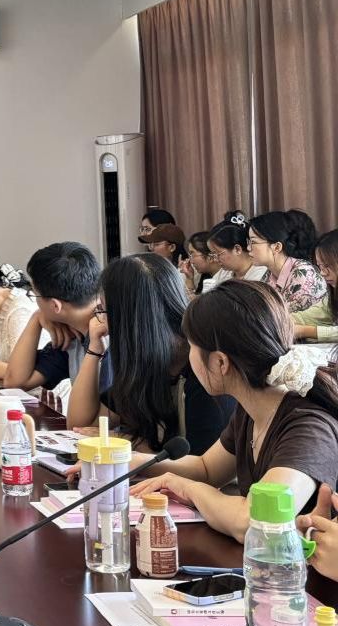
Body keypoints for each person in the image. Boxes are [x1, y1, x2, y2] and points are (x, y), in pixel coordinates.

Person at [132, 281, 338, 540]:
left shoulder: (308, 428)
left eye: (192, 346)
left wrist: (188, 488)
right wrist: (128, 461)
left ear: (220, 362)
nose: (189, 356)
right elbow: (207, 469)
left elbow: (255, 522)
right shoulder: (253, 407)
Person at [68, 254, 236, 456]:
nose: (100, 321)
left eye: (103, 311)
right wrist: (94, 349)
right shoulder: (145, 363)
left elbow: (201, 464)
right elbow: (80, 427)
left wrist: (129, 442)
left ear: (129, 319)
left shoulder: (205, 366)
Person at [3, 242, 102, 391]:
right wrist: (36, 318)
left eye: (34, 294)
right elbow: (15, 382)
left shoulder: (107, 339)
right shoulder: (72, 334)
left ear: (55, 306)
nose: (36, 302)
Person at [248, 210, 327, 313]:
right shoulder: (268, 275)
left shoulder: (303, 274)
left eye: (253, 242)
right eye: (248, 242)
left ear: (276, 247)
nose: (248, 248)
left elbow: (281, 319)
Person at [294, 229, 338, 343]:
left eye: (327, 266)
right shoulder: (333, 294)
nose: (322, 273)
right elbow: (315, 313)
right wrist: (280, 320)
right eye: (320, 267)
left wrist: (305, 331)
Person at [207, 211, 269, 282]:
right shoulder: (224, 273)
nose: (215, 260)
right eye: (213, 255)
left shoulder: (262, 275)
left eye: (218, 254)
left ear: (237, 249)